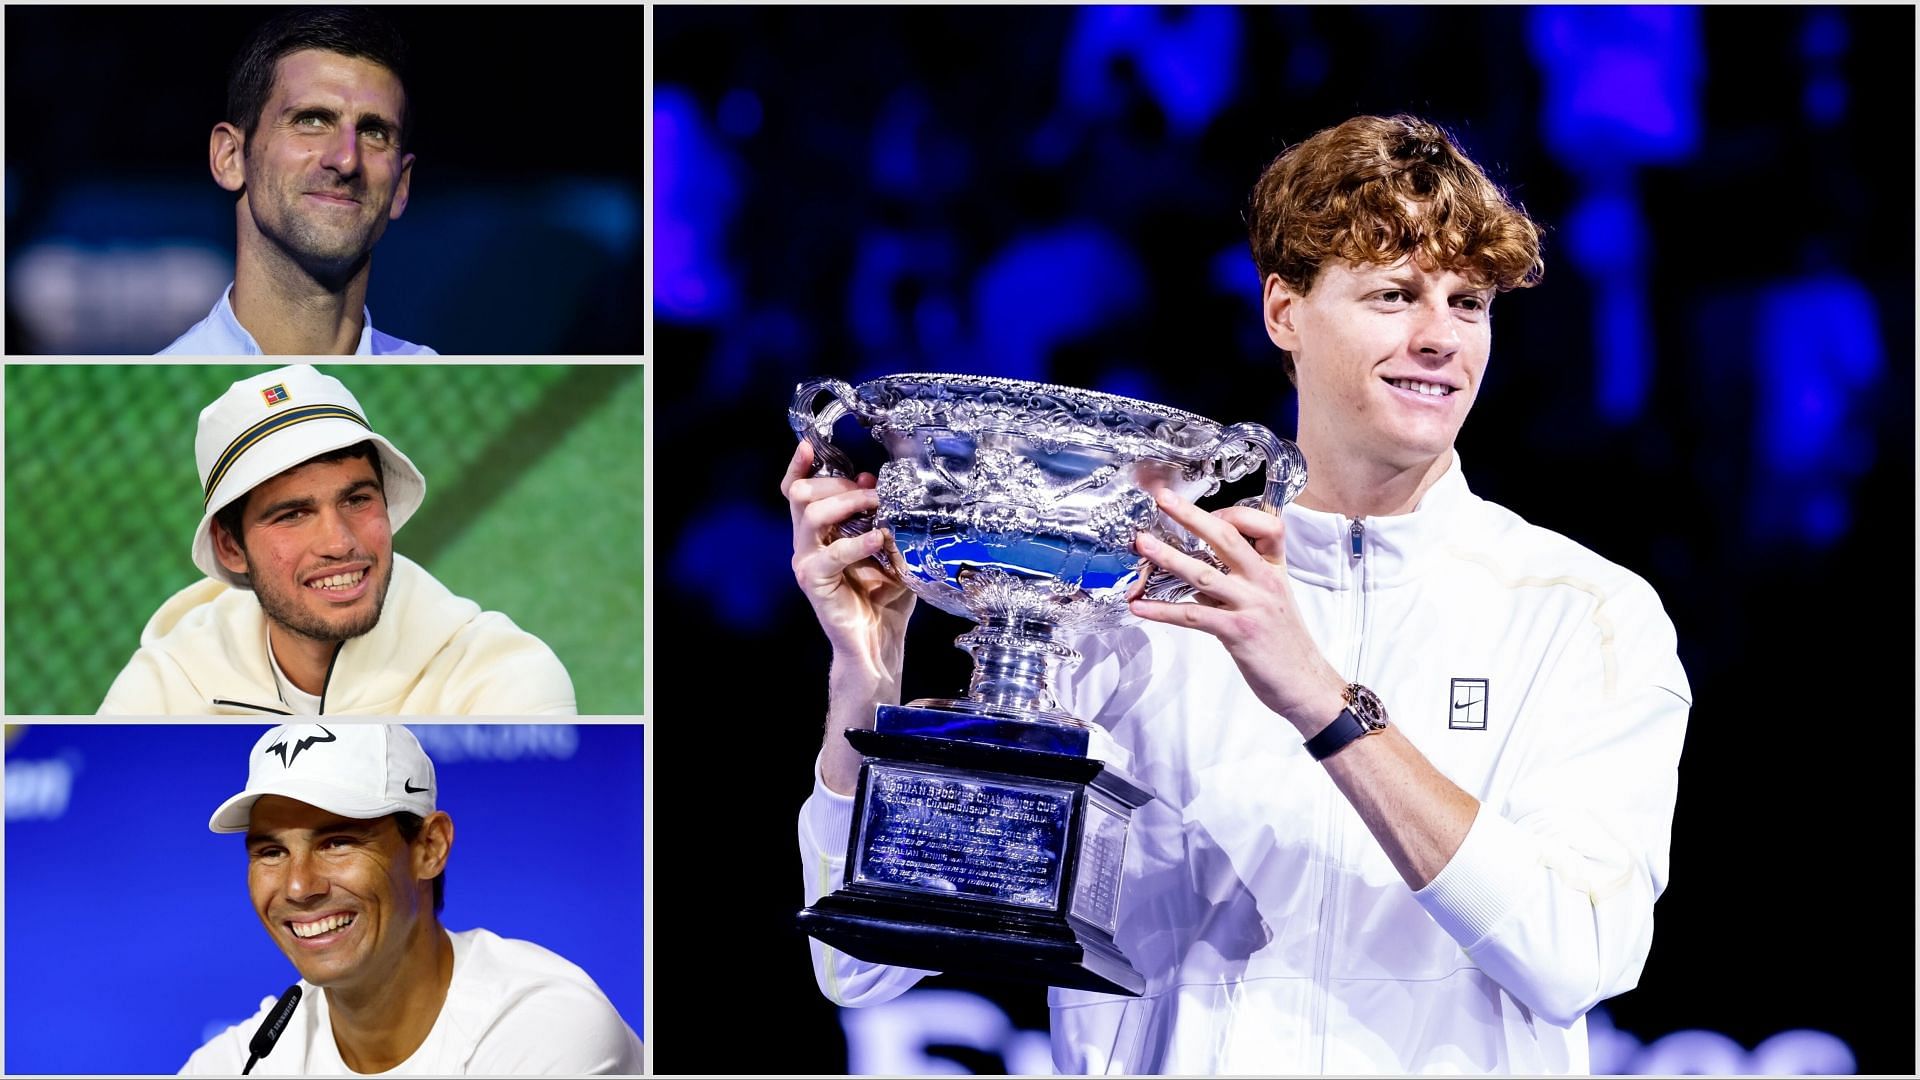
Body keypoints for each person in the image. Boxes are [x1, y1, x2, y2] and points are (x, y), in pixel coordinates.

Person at [784, 114, 1691, 1073]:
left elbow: (1578, 956)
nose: (1439, 338)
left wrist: (1325, 705)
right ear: (1284, 313)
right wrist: (866, 679)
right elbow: (859, 970)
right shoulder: (1133, 595)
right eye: (1394, 294)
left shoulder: (1584, 611)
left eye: (1469, 304)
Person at [100, 364, 575, 714]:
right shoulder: (161, 688)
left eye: (357, 500)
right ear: (230, 547)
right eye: (293, 514)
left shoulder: (503, 675)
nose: (339, 541)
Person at [181, 723, 642, 1074]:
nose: (299, 887)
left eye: (338, 842)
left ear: (429, 848)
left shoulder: (546, 1028)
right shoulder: (242, 1060)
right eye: (271, 851)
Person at [161, 7, 434, 355]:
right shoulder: (153, 397)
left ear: (401, 186)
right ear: (229, 158)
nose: (347, 159)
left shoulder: (456, 397)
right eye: (312, 120)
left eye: (374, 132)